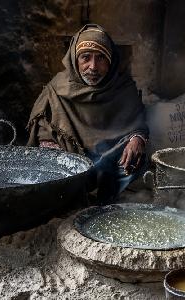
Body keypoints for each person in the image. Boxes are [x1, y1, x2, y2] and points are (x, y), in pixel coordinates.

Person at [27, 24, 148, 204]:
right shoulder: (57, 88)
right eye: (86, 58)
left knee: (136, 159)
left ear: (111, 61)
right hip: (71, 157)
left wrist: (137, 139)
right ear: (75, 60)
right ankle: (74, 200)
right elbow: (43, 126)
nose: (93, 66)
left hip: (109, 161)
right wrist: (55, 151)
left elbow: (139, 124)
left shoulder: (123, 88)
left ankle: (104, 201)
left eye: (101, 58)